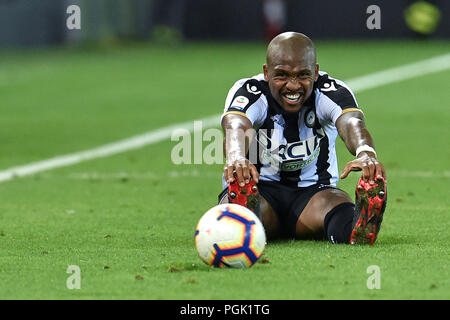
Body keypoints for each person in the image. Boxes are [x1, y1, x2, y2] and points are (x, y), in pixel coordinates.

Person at [218, 32, 387, 245]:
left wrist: (365, 152)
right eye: (282, 75)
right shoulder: (251, 92)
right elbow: (235, 125)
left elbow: (351, 122)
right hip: (259, 190)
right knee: (244, 208)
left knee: (336, 206)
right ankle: (244, 218)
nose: (293, 85)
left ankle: (358, 227)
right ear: (266, 72)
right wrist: (236, 157)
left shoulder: (330, 91)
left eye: (302, 75)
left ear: (315, 72)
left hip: (314, 194)